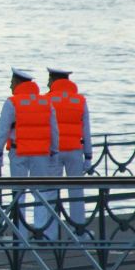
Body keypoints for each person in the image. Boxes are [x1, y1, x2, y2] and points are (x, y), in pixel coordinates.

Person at [0, 68, 59, 238]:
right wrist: (54, 150)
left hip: (19, 152)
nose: (10, 85)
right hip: (41, 153)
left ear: (17, 83)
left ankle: (20, 234)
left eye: (11, 81)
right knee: (41, 193)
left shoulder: (12, 102)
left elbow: (3, 131)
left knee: (19, 194)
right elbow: (54, 129)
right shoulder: (45, 102)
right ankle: (43, 232)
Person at [47, 67, 93, 229]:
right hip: (75, 150)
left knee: (51, 192)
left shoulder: (47, 99)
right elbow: (86, 130)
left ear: (54, 80)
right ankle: (78, 229)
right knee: (76, 192)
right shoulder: (80, 100)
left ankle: (50, 232)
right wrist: (88, 156)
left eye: (49, 79)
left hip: (53, 152)